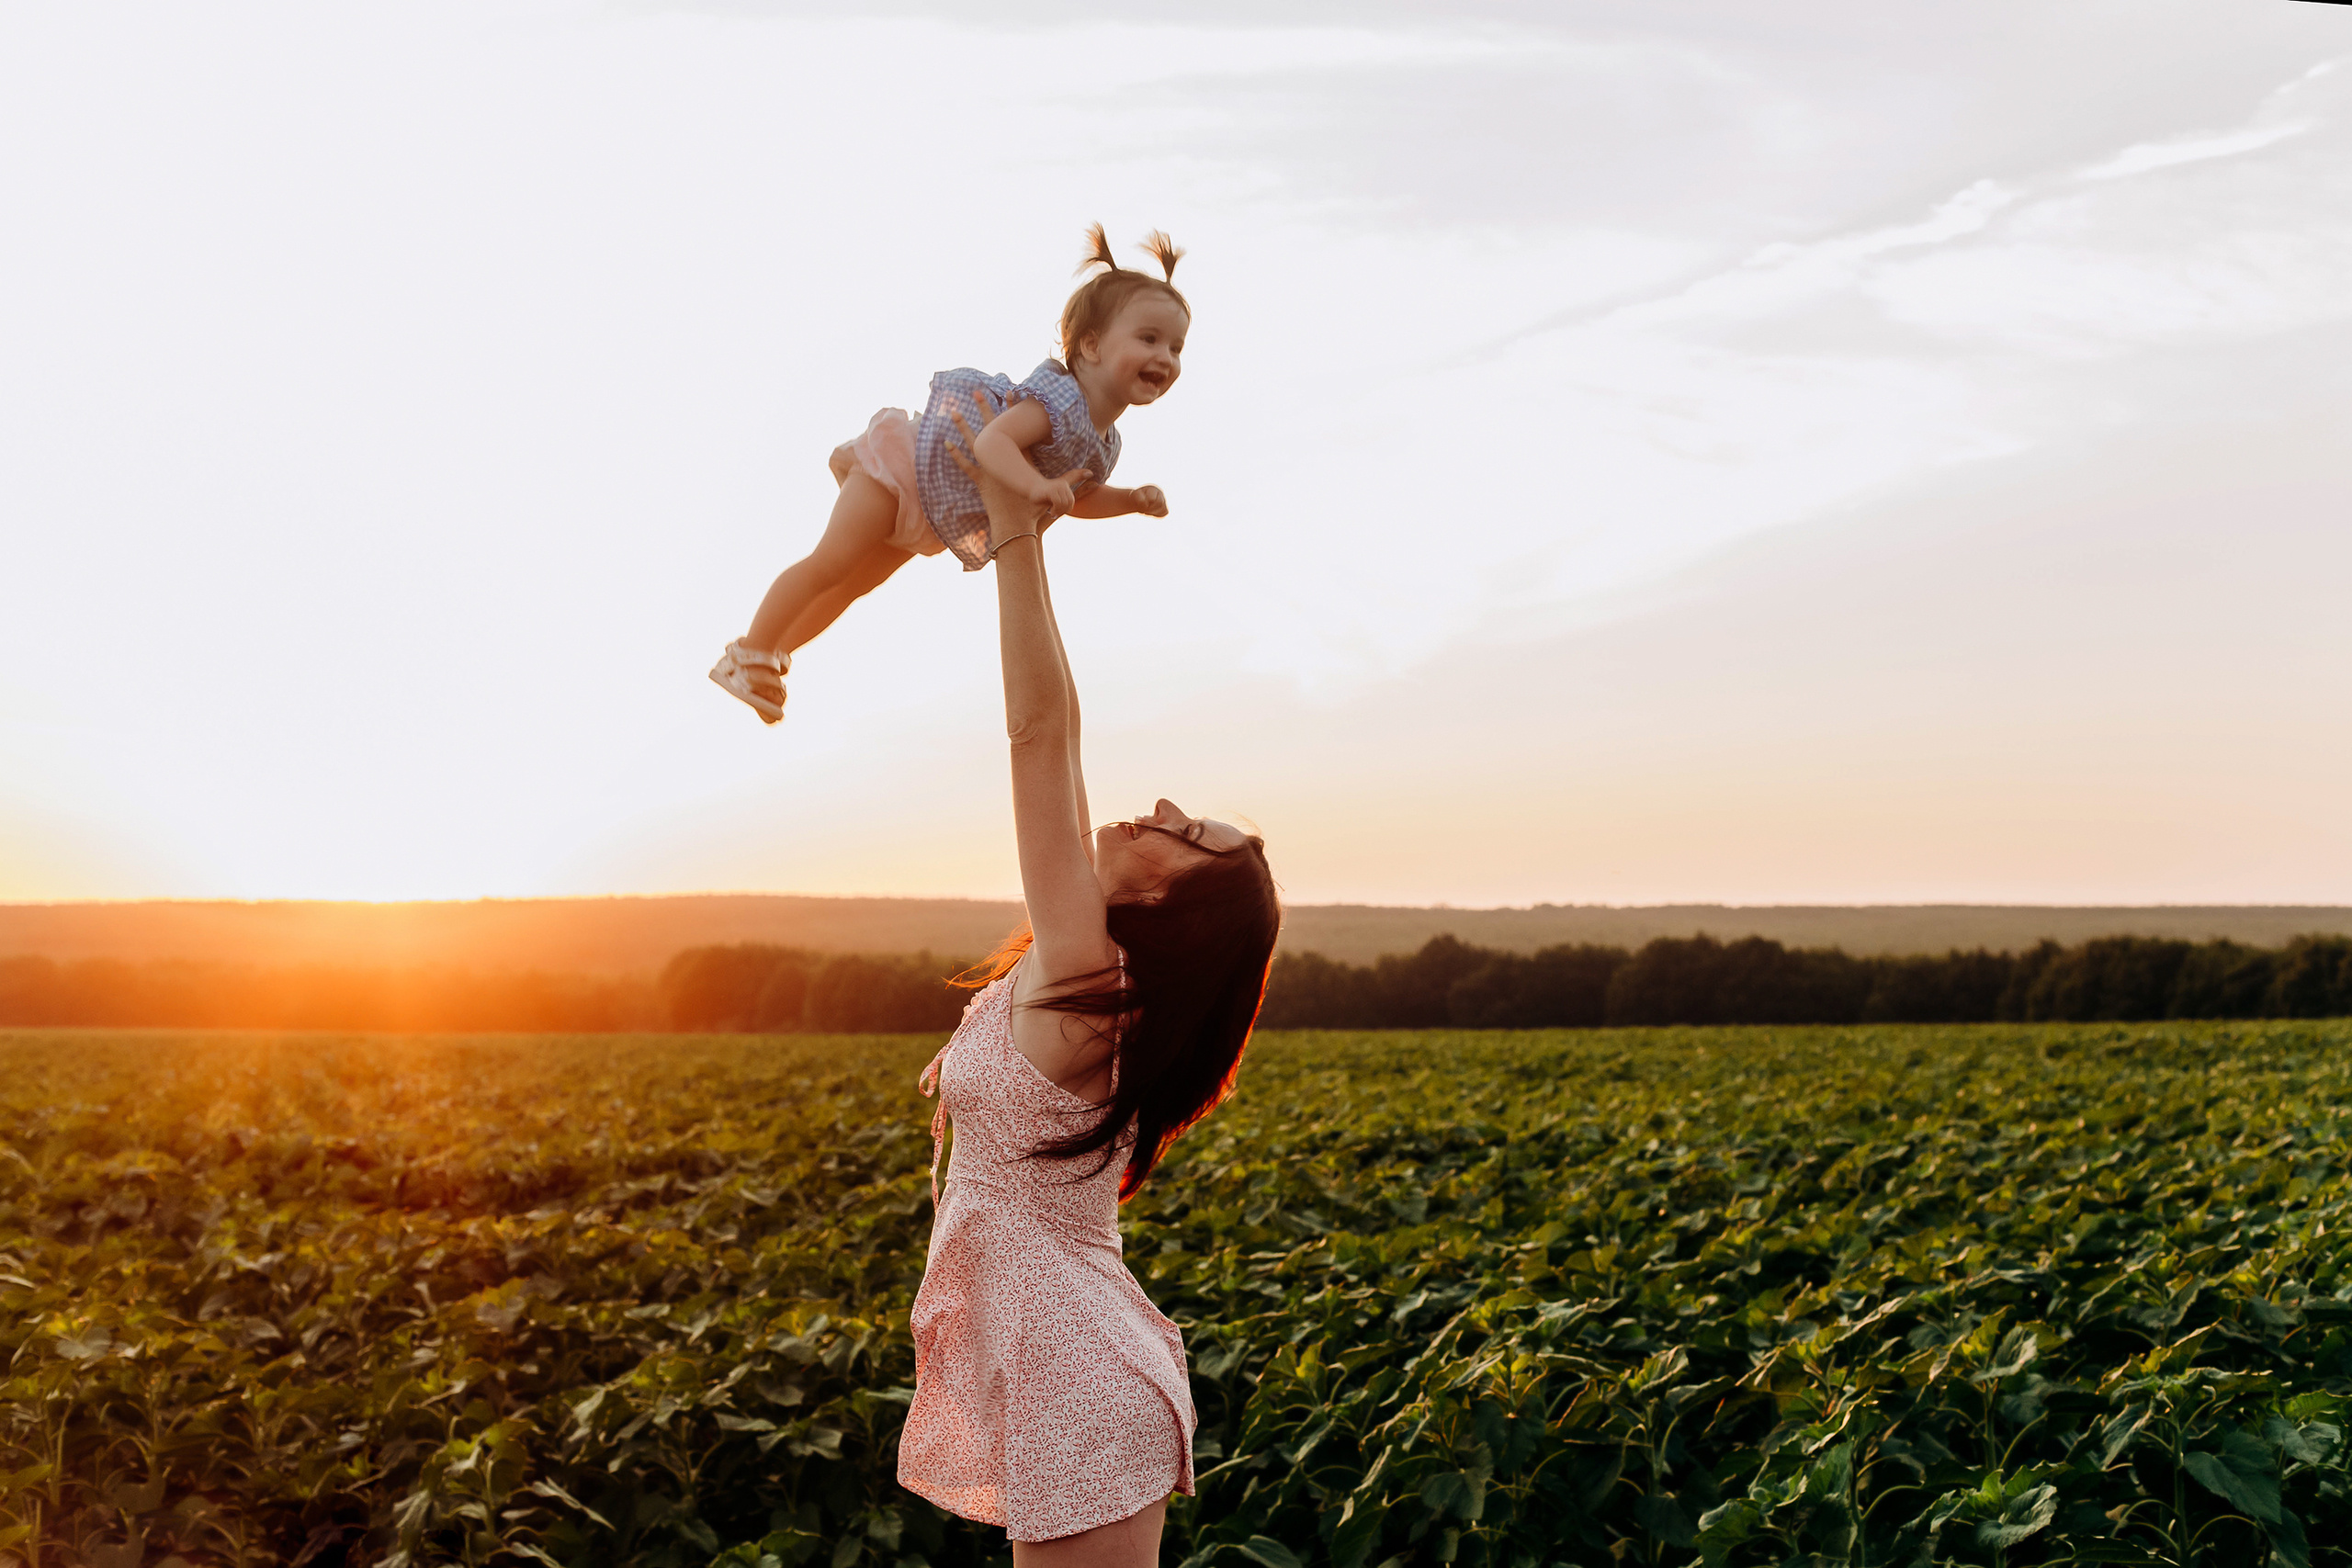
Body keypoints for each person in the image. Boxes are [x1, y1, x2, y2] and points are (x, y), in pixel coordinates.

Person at [895, 439, 1280, 1564]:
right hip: (1053, 1355)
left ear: (1171, 898)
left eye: (1181, 828)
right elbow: (1065, 743)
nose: (1155, 804)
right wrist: (1025, 538)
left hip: (1078, 1369)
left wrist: (1012, 531)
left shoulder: (1089, 983)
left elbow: (1036, 734)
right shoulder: (1083, 967)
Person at [708, 224, 1189, 724]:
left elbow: (1078, 498)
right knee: (833, 563)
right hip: (907, 466)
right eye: (1149, 338)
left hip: (937, 508)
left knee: (855, 585)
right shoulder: (1061, 401)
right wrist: (1035, 485)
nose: (1165, 357)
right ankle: (749, 651)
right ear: (1091, 347)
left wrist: (1130, 499)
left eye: (1176, 348)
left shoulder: (1106, 441)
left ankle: (771, 658)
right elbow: (992, 442)